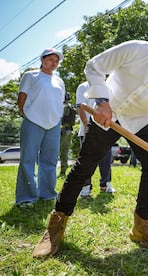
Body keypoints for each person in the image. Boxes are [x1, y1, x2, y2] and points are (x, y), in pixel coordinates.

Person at [32, 25, 148, 258]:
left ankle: (141, 225)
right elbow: (94, 66)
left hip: (140, 120)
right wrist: (102, 101)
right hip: (108, 114)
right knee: (84, 168)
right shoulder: (135, 50)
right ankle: (55, 226)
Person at [15, 48, 65, 207]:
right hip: (33, 121)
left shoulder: (60, 81)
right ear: (42, 60)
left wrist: (58, 117)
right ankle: (26, 198)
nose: (54, 63)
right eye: (50, 59)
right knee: (28, 159)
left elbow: (59, 102)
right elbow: (22, 97)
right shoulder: (31, 76)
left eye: (56, 61)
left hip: (54, 123)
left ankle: (48, 194)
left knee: (50, 160)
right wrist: (26, 114)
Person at [75, 81, 115, 196]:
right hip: (88, 130)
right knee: (86, 160)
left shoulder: (107, 86)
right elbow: (81, 107)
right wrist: (87, 125)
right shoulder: (83, 87)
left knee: (106, 159)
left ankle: (106, 184)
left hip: (104, 130)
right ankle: (86, 186)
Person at [58, 92, 77, 178]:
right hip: (69, 130)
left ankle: (60, 172)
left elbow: (59, 118)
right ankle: (63, 171)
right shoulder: (71, 106)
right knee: (64, 152)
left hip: (62, 130)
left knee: (58, 152)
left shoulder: (63, 107)